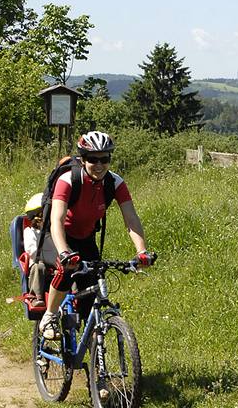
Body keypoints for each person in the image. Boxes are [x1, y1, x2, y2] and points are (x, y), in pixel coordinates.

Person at [39, 131, 154, 338]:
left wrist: (141, 251)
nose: (99, 165)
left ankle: (92, 350)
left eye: (104, 159)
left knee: (91, 290)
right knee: (65, 271)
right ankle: (50, 315)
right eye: (93, 159)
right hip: (58, 236)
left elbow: (131, 219)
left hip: (85, 238)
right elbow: (56, 219)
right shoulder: (68, 180)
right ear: (83, 159)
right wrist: (64, 252)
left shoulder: (114, 182)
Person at [23, 193, 56, 308]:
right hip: (38, 262)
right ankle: (36, 297)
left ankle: (76, 296)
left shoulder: (53, 234)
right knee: (39, 267)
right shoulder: (30, 232)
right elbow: (32, 251)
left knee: (68, 271)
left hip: (55, 265)